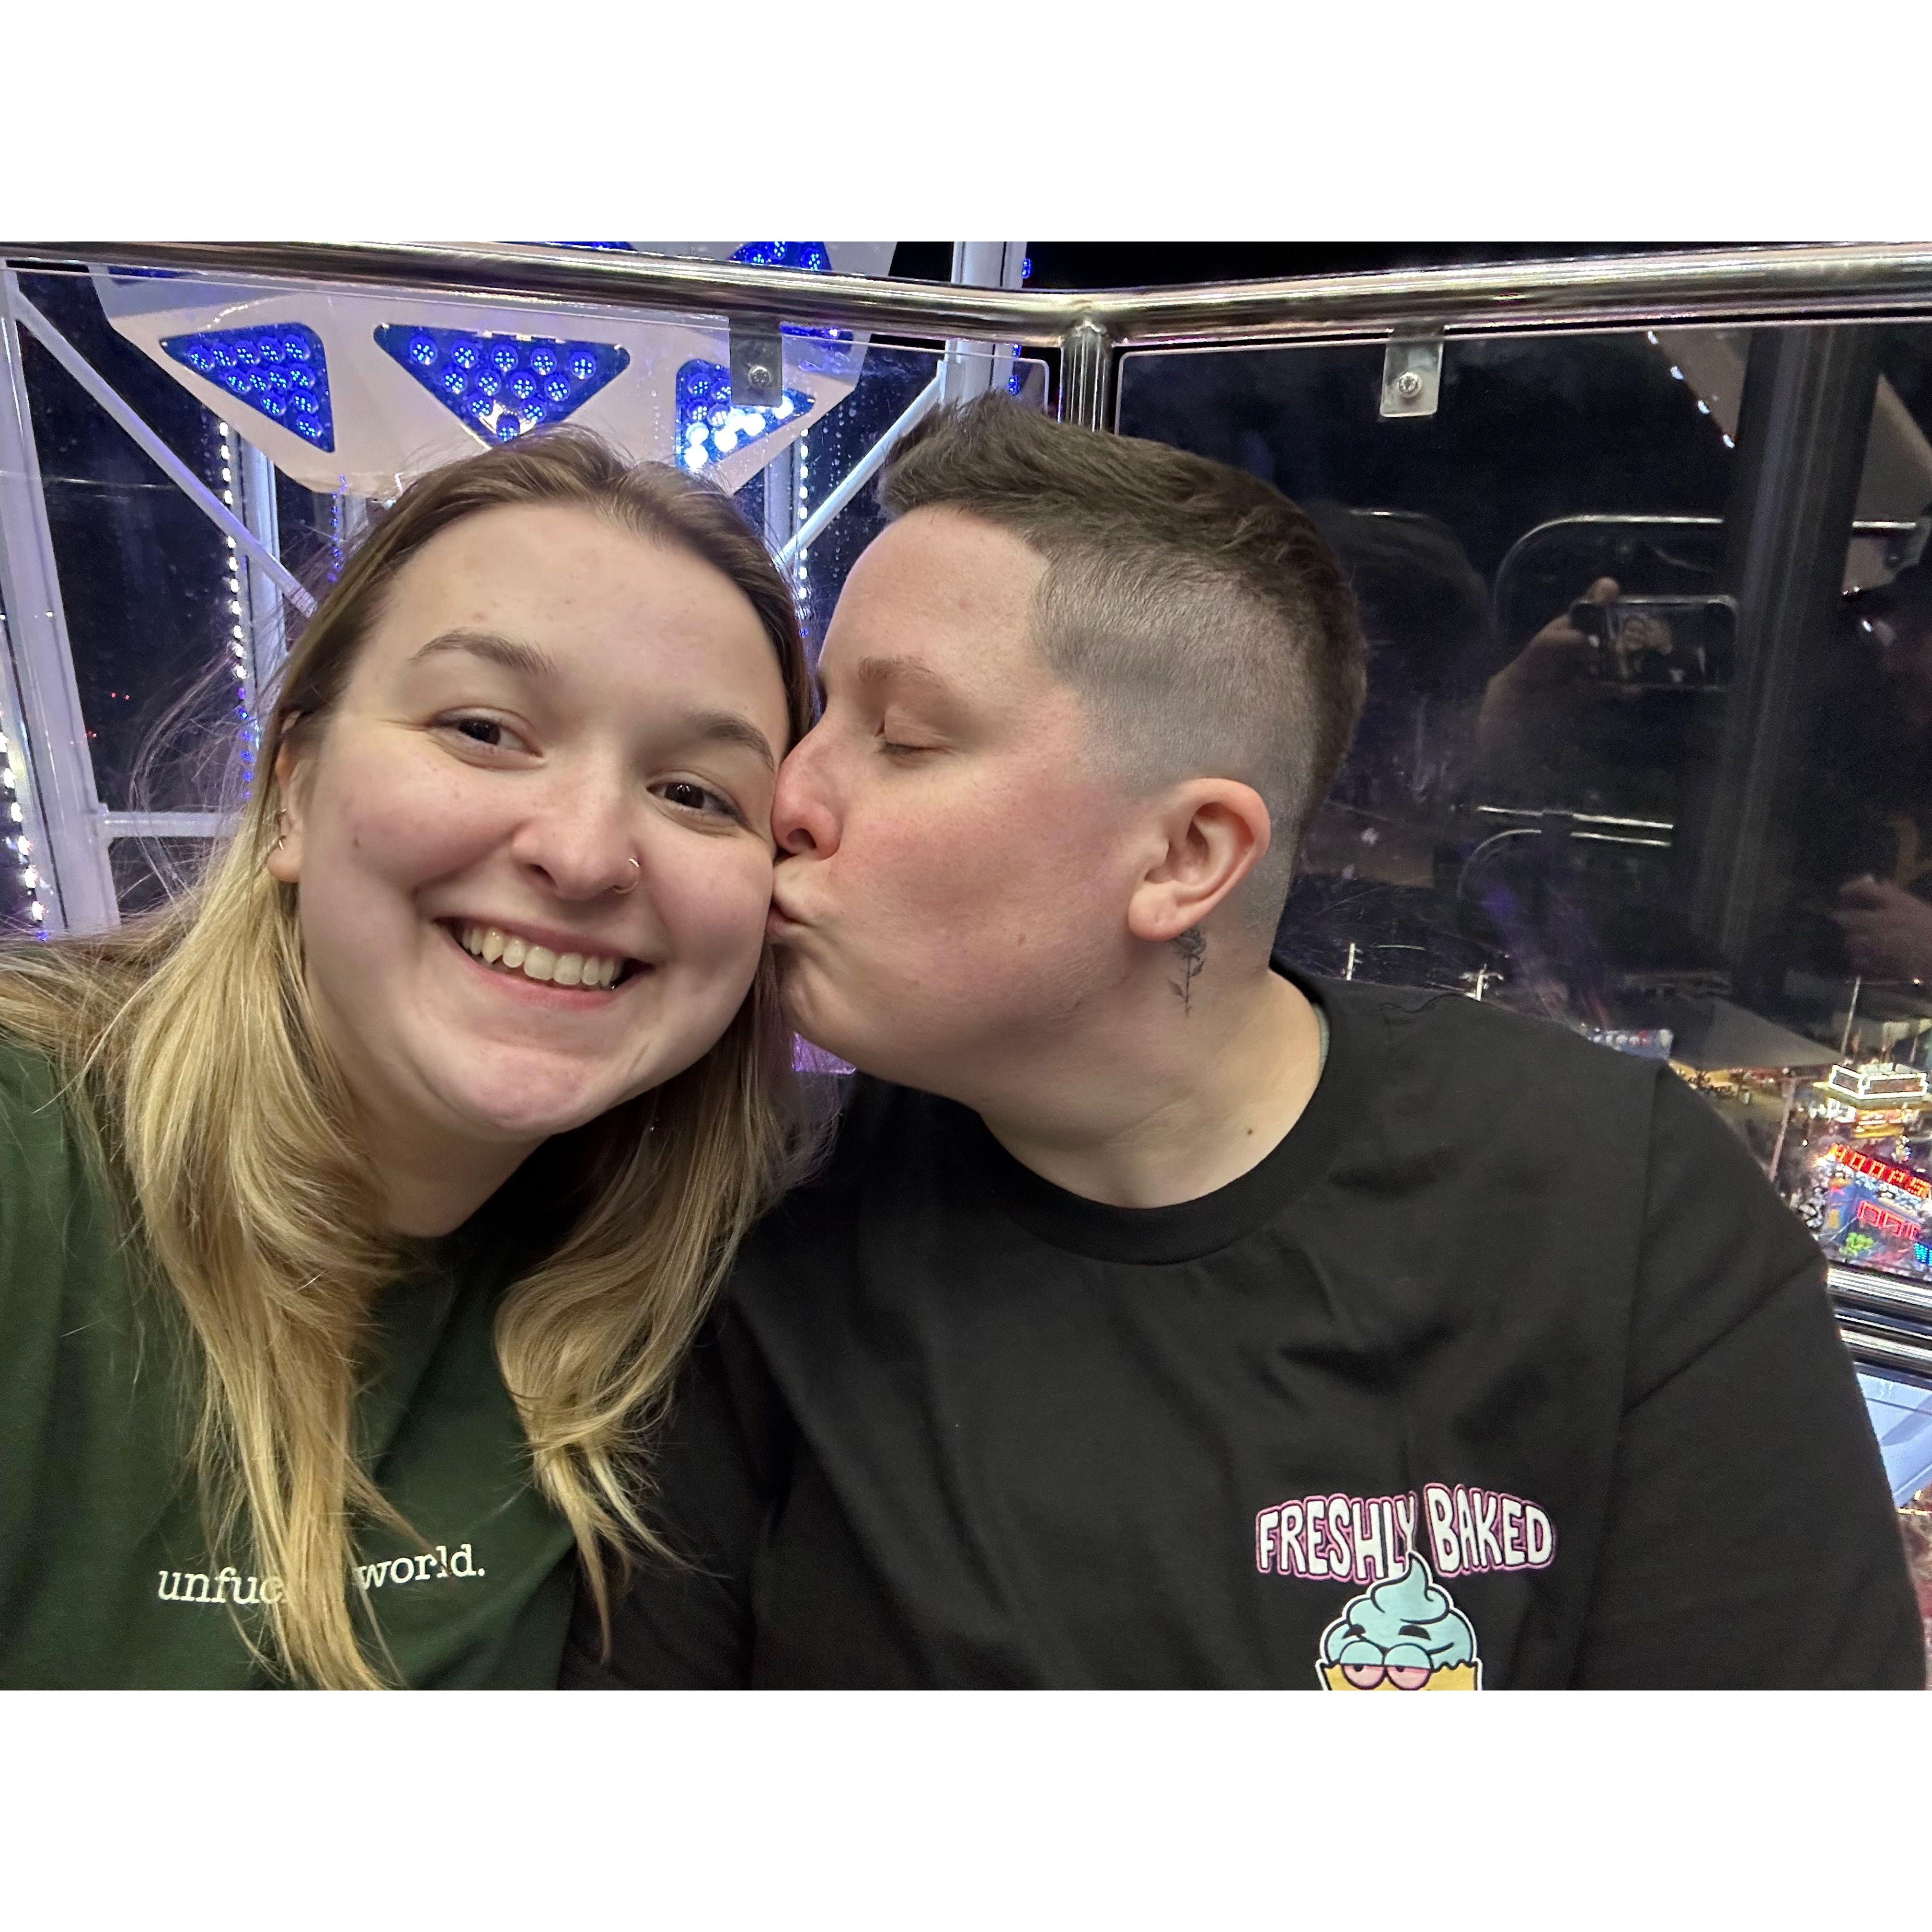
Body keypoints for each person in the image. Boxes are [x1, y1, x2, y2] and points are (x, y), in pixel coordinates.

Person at [563, 395, 1922, 1690]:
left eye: (903, 738)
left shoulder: (1614, 1207)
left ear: (1187, 856)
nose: (789, 797)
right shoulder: (757, 1226)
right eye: (815, 719)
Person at [0, 428, 815, 1689]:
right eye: (484, 728)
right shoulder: (31, 1161)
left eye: (697, 795)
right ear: (292, 791)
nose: (583, 854)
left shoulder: (723, 1264)